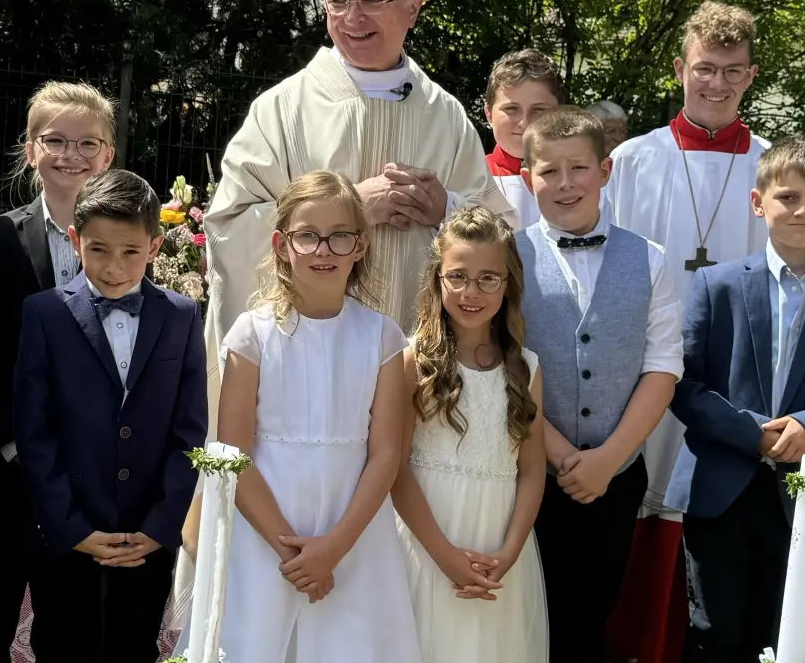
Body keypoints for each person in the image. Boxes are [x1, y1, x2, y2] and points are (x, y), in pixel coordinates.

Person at [192, 0, 513, 610]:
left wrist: (448, 203)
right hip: (300, 399)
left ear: (413, 6)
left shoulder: (448, 117)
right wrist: (346, 213)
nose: (353, 18)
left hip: (415, 387)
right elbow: (228, 227)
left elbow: (494, 239)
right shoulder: (283, 109)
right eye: (338, 2)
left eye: (371, 0)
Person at [669, 135, 805, 662]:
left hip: (803, 487)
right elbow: (683, 385)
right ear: (758, 201)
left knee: (778, 632)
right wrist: (751, 433)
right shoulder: (716, 285)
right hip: (720, 482)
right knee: (711, 629)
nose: (802, 210)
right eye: (788, 196)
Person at [603, 1, 770, 663]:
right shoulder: (632, 160)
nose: (716, 84)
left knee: (708, 506)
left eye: (732, 72)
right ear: (680, 68)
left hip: (726, 377)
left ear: (750, 76)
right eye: (705, 68)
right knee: (638, 497)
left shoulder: (771, 168)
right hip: (643, 363)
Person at [214, 170, 422, 663]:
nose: (324, 249)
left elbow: (386, 455)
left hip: (354, 537)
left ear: (360, 246)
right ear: (282, 244)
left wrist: (333, 549)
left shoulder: (383, 337)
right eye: (308, 236)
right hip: (267, 535)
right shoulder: (252, 335)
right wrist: (293, 554)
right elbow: (232, 455)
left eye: (339, 236)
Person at [12, 169, 207, 663]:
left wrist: (161, 526)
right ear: (75, 240)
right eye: (98, 249)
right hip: (68, 532)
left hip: (146, 533)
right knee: (62, 646)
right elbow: (33, 432)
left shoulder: (182, 316)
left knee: (132, 648)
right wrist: (71, 527)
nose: (114, 267)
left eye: (130, 252)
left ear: (155, 246)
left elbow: (189, 431)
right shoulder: (44, 313)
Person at [517, 108, 683, 663]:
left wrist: (610, 457)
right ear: (526, 178)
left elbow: (662, 366)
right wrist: (560, 455)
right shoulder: (509, 260)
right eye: (549, 171)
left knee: (594, 608)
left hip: (617, 472)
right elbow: (502, 368)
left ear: (605, 170)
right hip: (531, 471)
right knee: (534, 608)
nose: (565, 184)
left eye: (579, 168)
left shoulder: (650, 260)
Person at [0, 81, 118, 661]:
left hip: (95, 472)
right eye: (54, 140)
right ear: (30, 150)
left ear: (108, 154)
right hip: (12, 467)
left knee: (72, 623)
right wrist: (12, 444)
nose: (70, 155)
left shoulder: (137, 241)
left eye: (87, 143)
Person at [393, 206, 549, 663]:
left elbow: (533, 469)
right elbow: (395, 470)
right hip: (427, 542)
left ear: (509, 283)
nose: (471, 292)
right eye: (458, 277)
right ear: (438, 278)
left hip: (498, 546)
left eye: (488, 278)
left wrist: (509, 552)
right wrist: (445, 557)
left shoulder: (527, 368)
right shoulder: (412, 362)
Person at [484, 50, 563, 228]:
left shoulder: (579, 178)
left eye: (539, 110)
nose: (524, 122)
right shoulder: (471, 179)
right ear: (489, 114)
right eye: (511, 109)